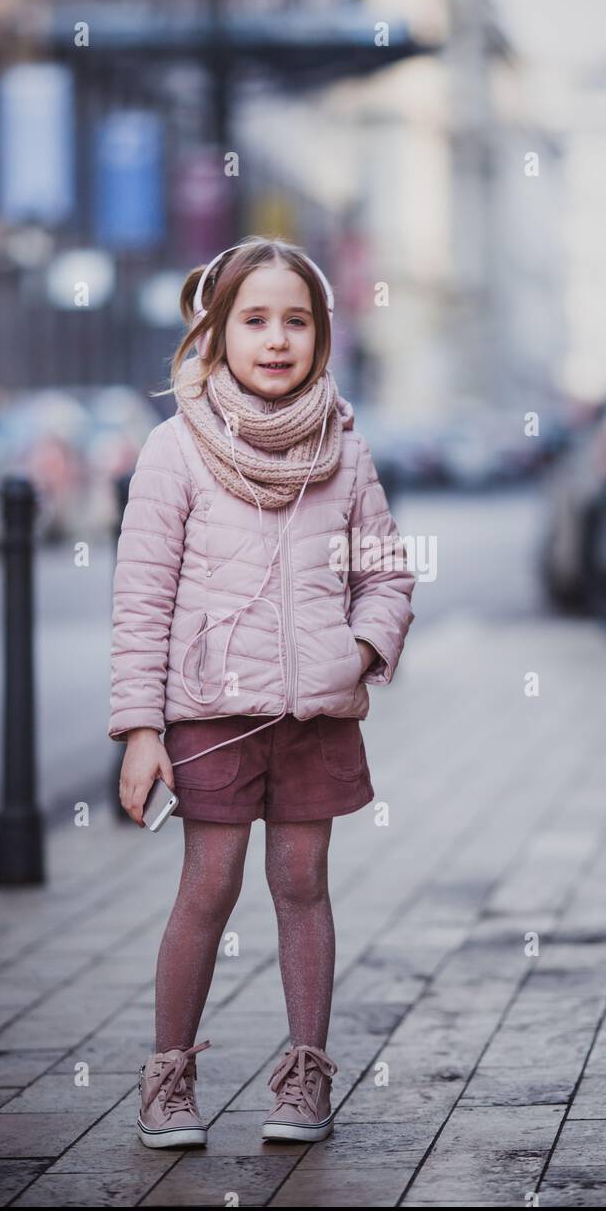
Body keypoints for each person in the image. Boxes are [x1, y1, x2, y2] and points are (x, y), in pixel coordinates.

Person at [108, 236, 416, 1150]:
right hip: (210, 712)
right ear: (215, 332)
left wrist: (358, 653)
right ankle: (168, 1078)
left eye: (297, 321)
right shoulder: (175, 450)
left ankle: (306, 1076)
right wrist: (139, 728)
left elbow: (387, 574)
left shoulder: (345, 450)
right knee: (208, 885)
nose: (276, 339)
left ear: (323, 337)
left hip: (314, 715)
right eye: (254, 320)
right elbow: (140, 596)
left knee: (302, 881)